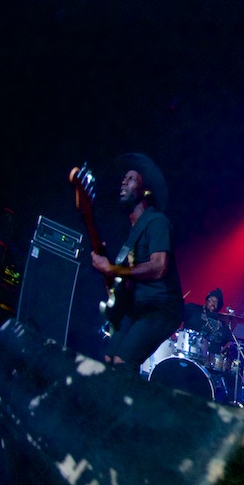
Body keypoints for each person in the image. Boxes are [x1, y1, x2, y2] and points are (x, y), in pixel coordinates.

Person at [90, 153, 184, 372]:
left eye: (131, 178)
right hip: (137, 306)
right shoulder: (132, 233)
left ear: (145, 190)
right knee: (108, 359)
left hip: (160, 308)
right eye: (124, 178)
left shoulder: (157, 222)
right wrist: (108, 273)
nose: (124, 181)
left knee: (123, 363)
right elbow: (122, 282)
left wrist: (112, 268)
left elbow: (159, 267)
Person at [182, 287, 232, 360]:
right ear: (206, 300)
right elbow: (176, 317)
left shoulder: (222, 322)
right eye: (211, 300)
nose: (213, 304)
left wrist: (225, 349)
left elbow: (229, 342)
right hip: (190, 352)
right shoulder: (193, 309)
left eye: (216, 302)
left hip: (211, 360)